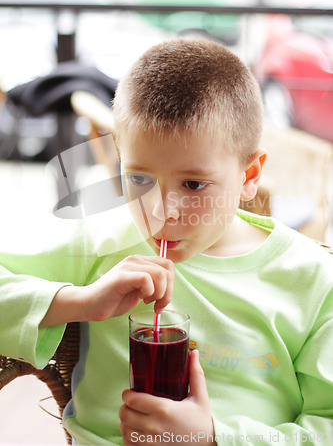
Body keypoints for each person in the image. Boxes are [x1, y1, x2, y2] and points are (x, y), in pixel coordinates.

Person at [0, 38, 332, 446]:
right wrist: (81, 301)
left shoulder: (314, 281)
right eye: (139, 178)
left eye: (193, 184)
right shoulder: (106, 241)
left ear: (249, 176)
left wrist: (212, 437)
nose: (162, 211)